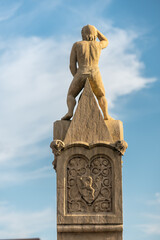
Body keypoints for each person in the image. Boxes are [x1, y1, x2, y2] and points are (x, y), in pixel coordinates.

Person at [62, 24, 112, 120]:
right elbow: (106, 41)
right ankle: (106, 115)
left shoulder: (77, 45)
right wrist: (97, 33)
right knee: (101, 95)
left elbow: (72, 65)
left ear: (82, 34)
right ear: (95, 34)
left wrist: (76, 76)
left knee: (71, 95)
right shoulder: (98, 44)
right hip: (95, 72)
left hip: (81, 71)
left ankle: (70, 112)